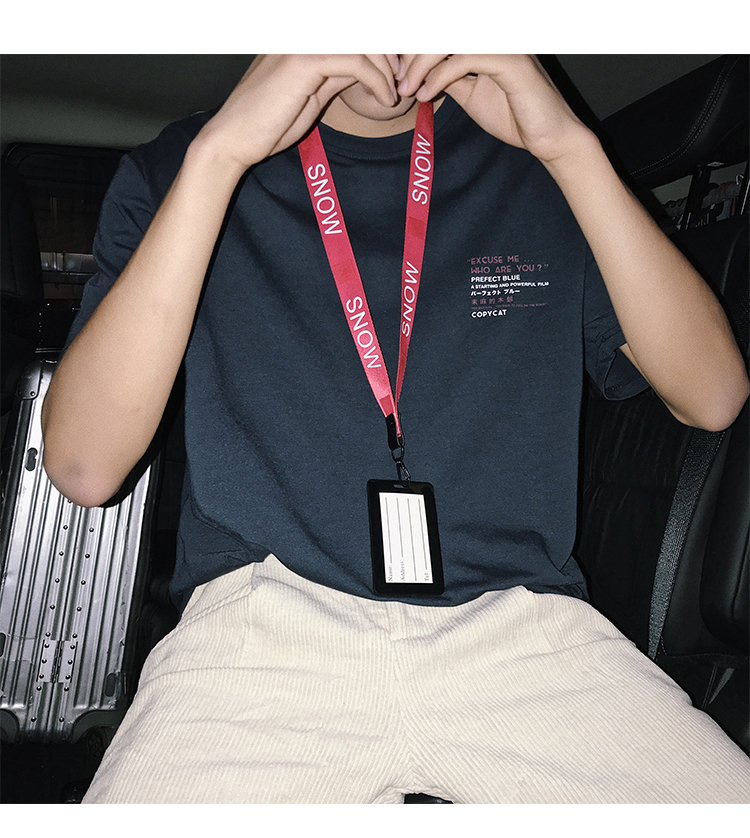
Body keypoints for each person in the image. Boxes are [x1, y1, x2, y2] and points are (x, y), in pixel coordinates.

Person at [41, 55, 750, 804]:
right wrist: (219, 157)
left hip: (523, 626)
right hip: (259, 630)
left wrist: (570, 148)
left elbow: (713, 397)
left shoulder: (538, 161)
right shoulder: (184, 166)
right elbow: (86, 467)